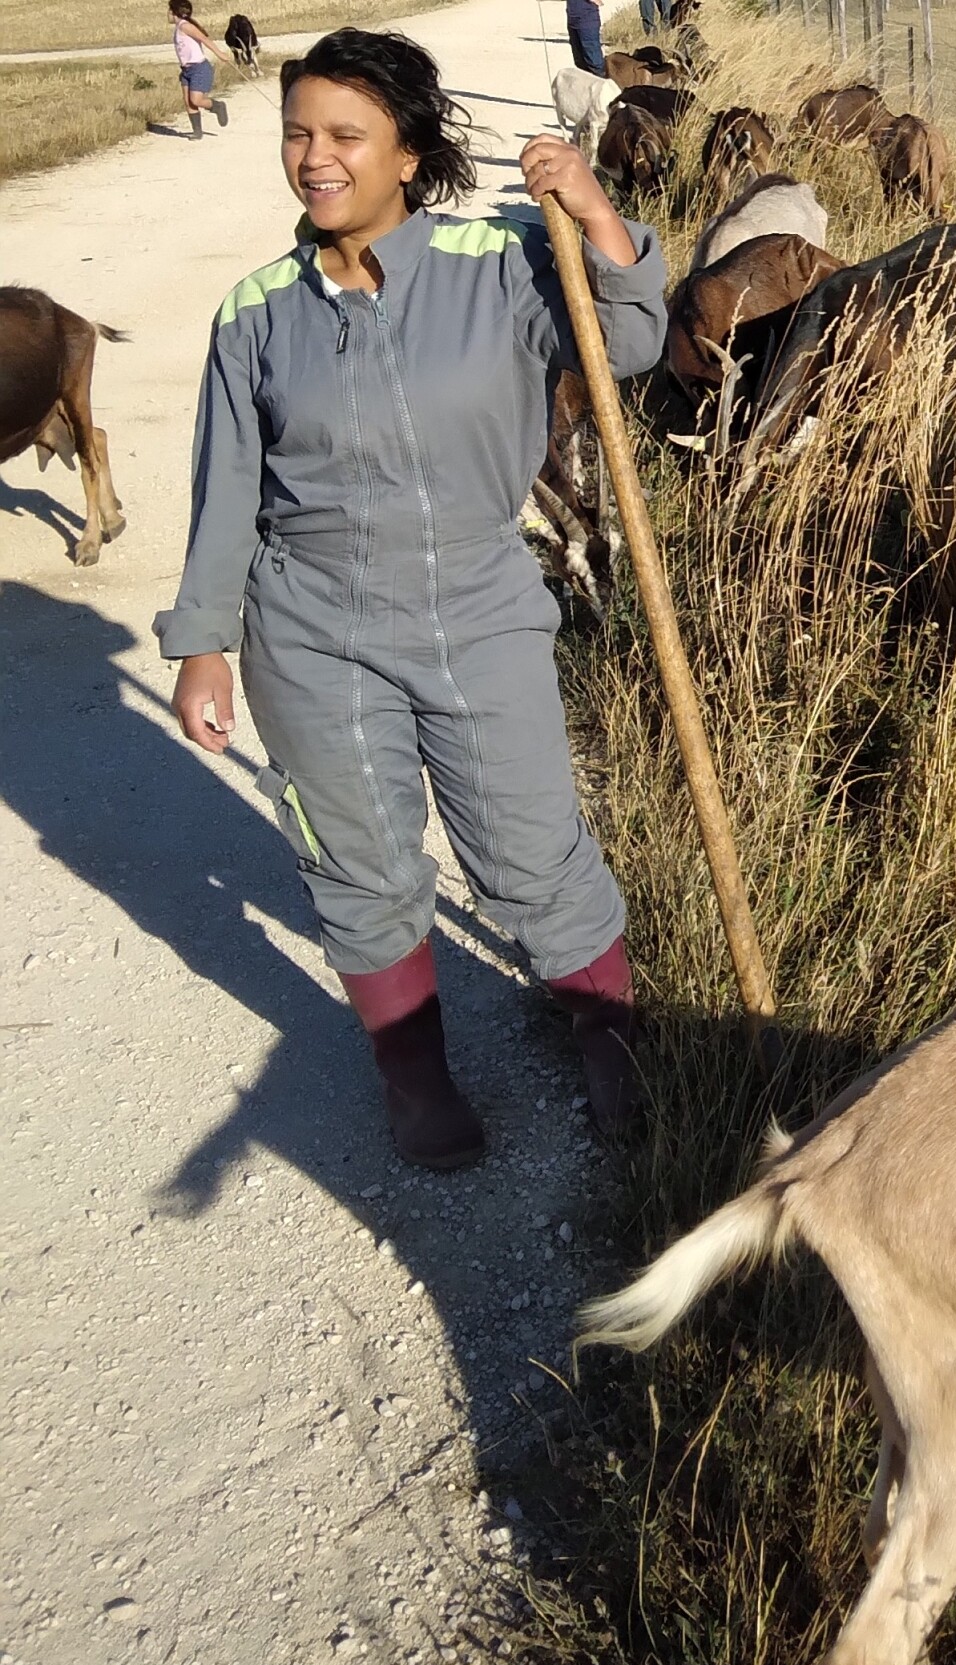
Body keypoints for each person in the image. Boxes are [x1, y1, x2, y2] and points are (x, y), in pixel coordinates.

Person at [158, 29, 668, 1169]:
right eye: (297, 134)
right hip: (312, 631)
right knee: (362, 864)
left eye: (345, 135)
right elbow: (225, 491)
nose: (313, 158)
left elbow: (632, 342)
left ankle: (612, 1045)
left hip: (482, 605)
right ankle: (416, 1080)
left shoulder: (505, 257)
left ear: (407, 154)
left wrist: (591, 213)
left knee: (532, 850)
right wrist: (202, 642)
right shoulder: (257, 312)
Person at [169, 0, 229, 137]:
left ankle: (217, 106)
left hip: (199, 68)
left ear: (174, 12)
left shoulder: (185, 26)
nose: (168, 14)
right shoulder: (179, 27)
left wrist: (220, 54)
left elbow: (204, 39)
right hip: (186, 70)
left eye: (169, 10)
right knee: (188, 101)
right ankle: (197, 132)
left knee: (196, 100)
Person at [565, 0, 604, 75]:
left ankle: (600, 82)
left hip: (587, 20)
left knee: (594, 63)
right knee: (579, 62)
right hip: (572, 20)